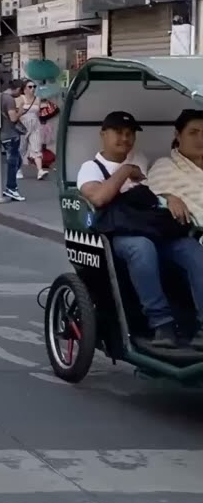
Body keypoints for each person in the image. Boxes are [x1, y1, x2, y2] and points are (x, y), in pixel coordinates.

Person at [77, 111, 203, 349]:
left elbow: (156, 188)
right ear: (103, 134)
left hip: (154, 228)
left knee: (193, 250)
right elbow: (100, 198)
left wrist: (169, 195)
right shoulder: (91, 167)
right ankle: (161, 324)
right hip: (121, 234)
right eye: (118, 133)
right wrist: (126, 171)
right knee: (142, 249)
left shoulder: (143, 159)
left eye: (129, 134)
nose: (125, 139)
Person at [148, 109, 203, 226]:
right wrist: (169, 197)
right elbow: (155, 192)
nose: (201, 139)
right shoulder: (164, 167)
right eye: (193, 133)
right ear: (178, 135)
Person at [0, 78, 25, 201]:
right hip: (10, 134)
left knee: (16, 161)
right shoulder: (9, 100)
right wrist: (20, 111)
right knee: (13, 162)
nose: (20, 95)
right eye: (21, 91)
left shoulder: (0, 96)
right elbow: (13, 118)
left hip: (3, 134)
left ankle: (10, 186)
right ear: (18, 89)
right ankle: (11, 187)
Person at [17, 81, 47, 180]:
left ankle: (40, 170)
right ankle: (18, 169)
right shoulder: (21, 99)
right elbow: (17, 112)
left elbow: (38, 113)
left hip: (35, 124)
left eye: (34, 86)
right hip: (23, 124)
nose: (32, 88)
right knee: (21, 148)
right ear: (24, 89)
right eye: (30, 87)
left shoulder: (37, 99)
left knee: (36, 146)